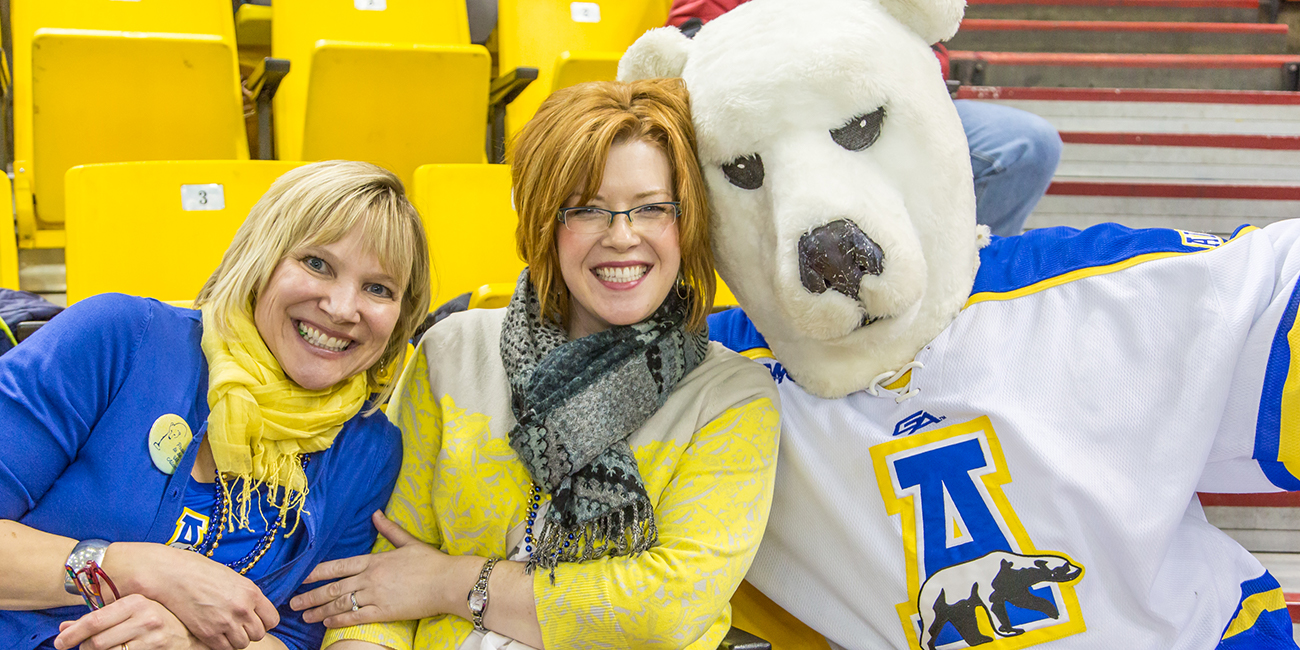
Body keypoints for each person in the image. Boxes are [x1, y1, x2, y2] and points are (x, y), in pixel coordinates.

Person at [291, 78, 782, 650]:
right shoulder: (451, 352)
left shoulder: (732, 396)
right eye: (588, 209)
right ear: (546, 223)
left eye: (652, 208)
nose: (622, 236)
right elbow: (378, 581)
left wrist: (450, 583)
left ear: (687, 221)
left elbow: (661, 612)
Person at [0, 160, 431, 650]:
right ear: (261, 259)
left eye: (378, 289)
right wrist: (135, 570)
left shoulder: (369, 449)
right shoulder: (120, 337)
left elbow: (296, 635)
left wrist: (190, 642)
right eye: (317, 264)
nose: (341, 308)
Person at [669, 0, 1063, 237]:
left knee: (1026, 144)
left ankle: (962, 291)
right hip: (790, 128)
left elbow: (929, 44)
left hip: (887, 111)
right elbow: (694, 46)